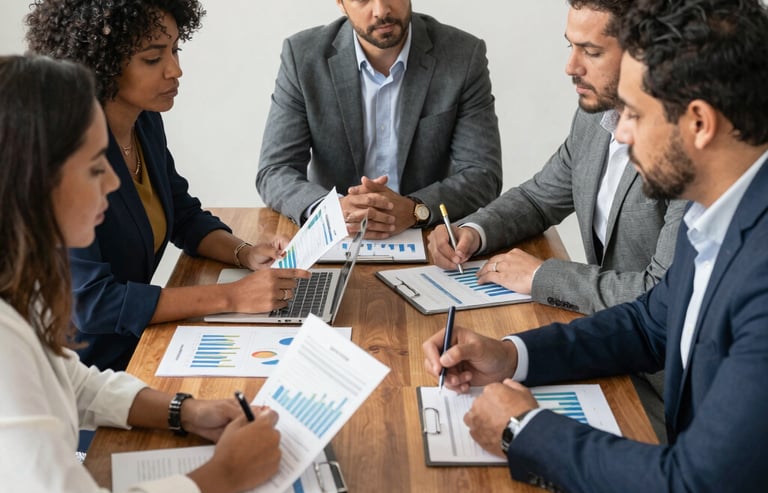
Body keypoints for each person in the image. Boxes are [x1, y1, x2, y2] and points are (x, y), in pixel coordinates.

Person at [423, 0, 768, 493]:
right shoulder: (716, 210)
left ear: (698, 122)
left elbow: (696, 490)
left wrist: (526, 428)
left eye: (633, 114)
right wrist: (511, 356)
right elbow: (650, 324)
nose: (621, 134)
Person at [0, 54, 282, 493]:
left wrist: (185, 410)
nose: (114, 182)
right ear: (31, 182)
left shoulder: (18, 286)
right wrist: (224, 474)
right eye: (95, 166)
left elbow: (67, 379)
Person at [26, 0, 310, 371]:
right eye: (152, 59)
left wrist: (245, 253)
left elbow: (183, 215)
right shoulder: (65, 155)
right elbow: (93, 303)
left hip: (144, 343)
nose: (175, 70)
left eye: (175, 49)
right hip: (87, 370)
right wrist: (232, 296)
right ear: (102, 63)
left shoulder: (144, 124)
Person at [428, 0, 687, 316]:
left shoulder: (687, 147)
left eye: (591, 52)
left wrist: (540, 276)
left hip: (659, 357)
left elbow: (662, 293)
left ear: (643, 53)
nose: (571, 66)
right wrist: (473, 232)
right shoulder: (595, 117)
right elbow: (538, 199)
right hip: (609, 332)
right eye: (571, 46)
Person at [256, 0, 503, 240]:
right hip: (335, 235)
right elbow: (275, 170)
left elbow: (483, 174)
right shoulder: (302, 57)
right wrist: (330, 210)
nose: (381, 10)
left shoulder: (463, 55)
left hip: (431, 236)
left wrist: (414, 209)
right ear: (340, 3)